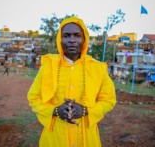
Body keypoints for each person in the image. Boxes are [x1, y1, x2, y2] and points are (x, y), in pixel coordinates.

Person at [27, 17, 116, 147]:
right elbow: (33, 98)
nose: (72, 40)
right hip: (55, 138)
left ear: (84, 39)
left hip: (87, 138)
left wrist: (86, 111)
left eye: (77, 35)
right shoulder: (48, 66)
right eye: (66, 36)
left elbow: (109, 100)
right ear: (60, 40)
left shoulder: (98, 68)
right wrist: (55, 111)